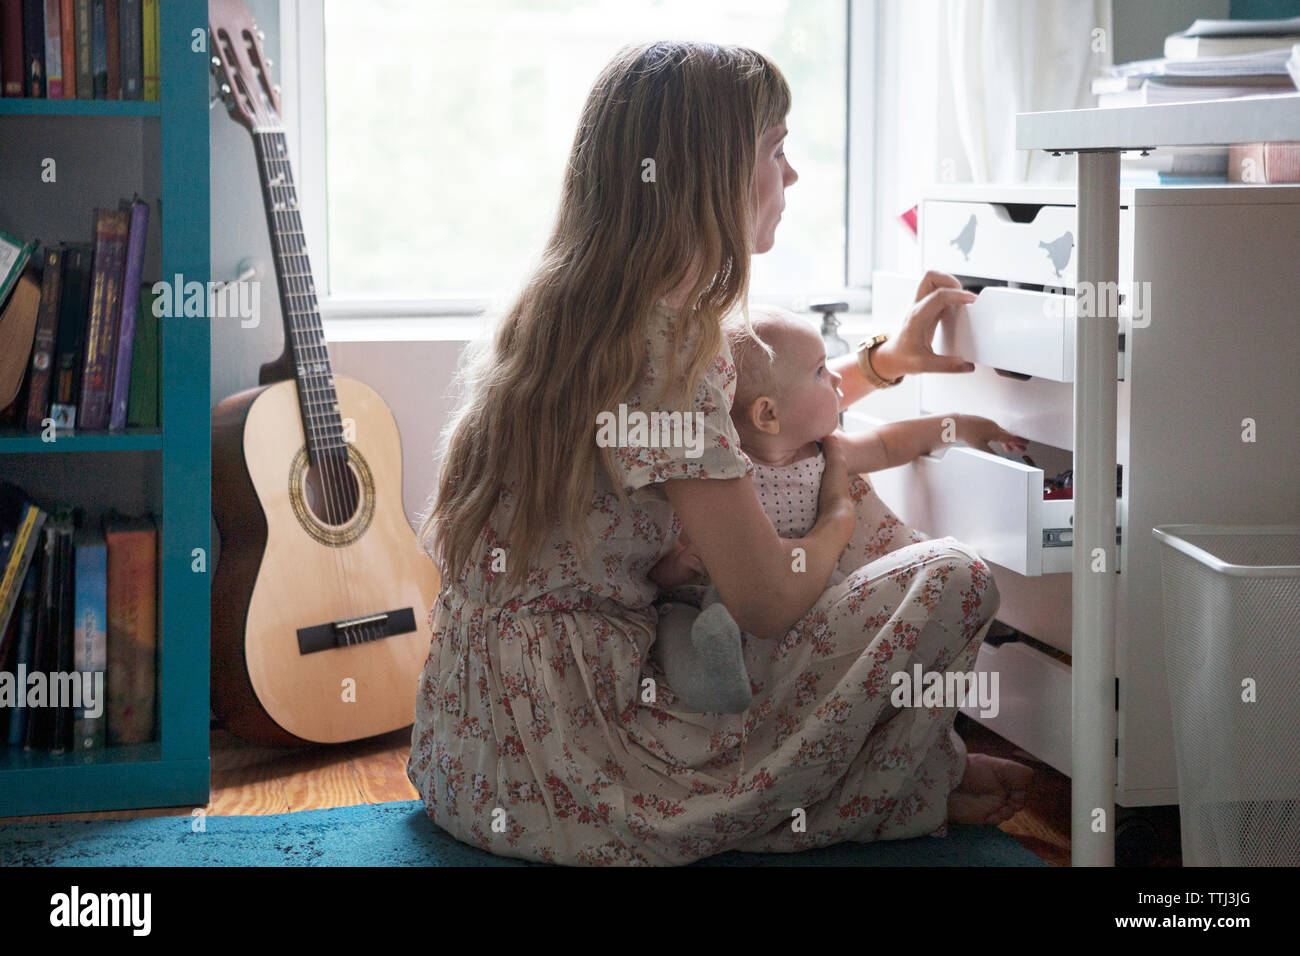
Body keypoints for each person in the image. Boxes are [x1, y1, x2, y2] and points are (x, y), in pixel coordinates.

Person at [408, 40, 1033, 866]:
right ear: (718, 175)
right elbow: (770, 598)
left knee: (810, 476)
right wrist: (842, 507)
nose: (793, 176)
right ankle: (900, 784)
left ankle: (911, 776)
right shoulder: (675, 349)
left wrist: (883, 362)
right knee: (954, 576)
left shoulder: (576, 308)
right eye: (777, 150)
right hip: (579, 763)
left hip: (472, 754)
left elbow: (759, 412)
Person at [648, 305, 1028, 715]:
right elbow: (658, 568)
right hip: (709, 605)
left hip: (807, 598)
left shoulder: (826, 452)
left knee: (841, 592)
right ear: (768, 414)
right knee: (673, 625)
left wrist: (959, 425)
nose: (835, 378)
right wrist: (678, 565)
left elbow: (889, 443)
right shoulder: (713, 475)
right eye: (820, 371)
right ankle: (713, 679)